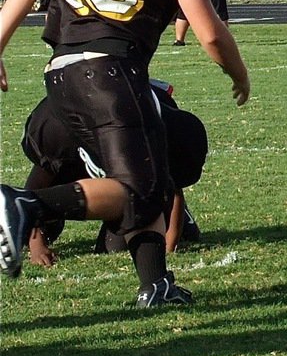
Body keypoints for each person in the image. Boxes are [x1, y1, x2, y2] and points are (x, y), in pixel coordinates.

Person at [0, 0, 250, 307]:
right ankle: (24, 205)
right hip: (110, 71)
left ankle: (156, 283)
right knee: (135, 191)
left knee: (148, 178)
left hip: (63, 71)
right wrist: (238, 71)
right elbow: (207, 29)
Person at [22, 79, 207, 266]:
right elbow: (33, 189)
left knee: (117, 246)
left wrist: (169, 243)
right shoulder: (59, 126)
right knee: (26, 228)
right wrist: (36, 243)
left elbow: (173, 182)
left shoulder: (146, 126)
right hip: (81, 164)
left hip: (133, 178)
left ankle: (168, 211)